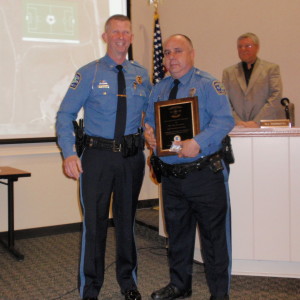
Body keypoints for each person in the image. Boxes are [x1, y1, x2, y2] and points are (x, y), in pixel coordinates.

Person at [56, 14, 151, 300]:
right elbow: (65, 115)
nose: (121, 37)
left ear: (131, 38)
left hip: (131, 159)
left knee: (127, 222)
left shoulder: (141, 74)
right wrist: (69, 153)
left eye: (126, 32)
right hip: (96, 158)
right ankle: (91, 288)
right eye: (115, 32)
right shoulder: (90, 73)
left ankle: (128, 282)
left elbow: (150, 114)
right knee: (94, 225)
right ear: (105, 36)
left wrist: (154, 133)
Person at [144, 34, 235, 300]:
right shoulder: (158, 88)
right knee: (177, 237)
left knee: (213, 240)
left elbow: (224, 121)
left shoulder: (208, 85)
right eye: (168, 53)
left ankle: (220, 295)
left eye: (178, 51)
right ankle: (180, 285)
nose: (172, 57)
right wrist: (149, 135)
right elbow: (149, 122)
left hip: (204, 174)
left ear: (192, 54)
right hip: (172, 178)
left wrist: (197, 141)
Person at [222, 32, 283, 128]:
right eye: (240, 46)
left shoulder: (271, 69)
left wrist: (256, 122)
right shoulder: (228, 73)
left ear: (257, 47)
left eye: (247, 46)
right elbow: (224, 100)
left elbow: (276, 96)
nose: (243, 49)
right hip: (237, 127)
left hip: (264, 126)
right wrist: (237, 121)